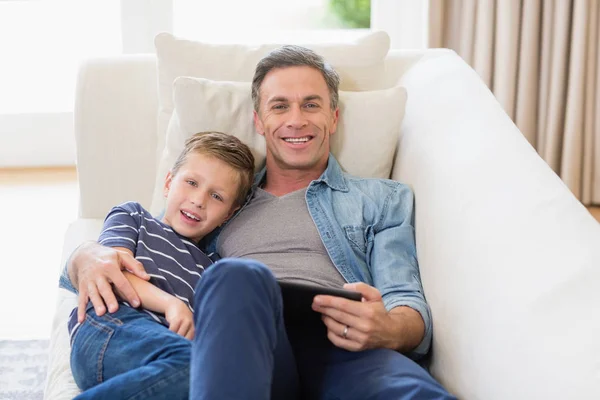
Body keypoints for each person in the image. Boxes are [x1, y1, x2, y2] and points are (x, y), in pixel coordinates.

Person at [62, 45, 456, 399]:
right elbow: (156, 239)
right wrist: (85, 254)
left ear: (333, 118)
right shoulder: (224, 199)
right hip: (246, 342)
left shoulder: (383, 199)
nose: (296, 120)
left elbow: (406, 299)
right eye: (280, 106)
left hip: (342, 345)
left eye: (312, 105)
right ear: (259, 121)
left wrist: (389, 328)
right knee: (235, 277)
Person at [66, 131, 255, 399]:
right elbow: (113, 272)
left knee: (215, 376)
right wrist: (171, 304)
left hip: (165, 357)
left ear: (228, 214)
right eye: (191, 182)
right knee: (199, 367)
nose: (198, 200)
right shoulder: (134, 217)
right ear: (168, 183)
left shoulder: (214, 268)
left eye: (216, 196)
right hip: (111, 324)